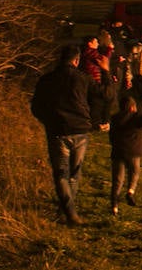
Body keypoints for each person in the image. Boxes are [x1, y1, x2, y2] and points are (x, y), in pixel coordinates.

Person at [30, 43, 91, 225]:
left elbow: (36, 107)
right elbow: (104, 96)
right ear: (76, 60)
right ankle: (69, 209)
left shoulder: (47, 79)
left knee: (61, 173)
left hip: (57, 130)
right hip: (80, 129)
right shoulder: (82, 79)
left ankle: (68, 210)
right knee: (74, 172)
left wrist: (48, 121)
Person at [108, 93, 142, 215]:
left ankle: (114, 207)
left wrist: (114, 145)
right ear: (132, 107)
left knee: (117, 180)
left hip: (118, 151)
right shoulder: (135, 118)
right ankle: (130, 191)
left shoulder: (115, 118)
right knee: (134, 172)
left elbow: (111, 135)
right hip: (133, 151)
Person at [79, 34, 116, 131]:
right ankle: (96, 123)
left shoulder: (88, 52)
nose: (98, 44)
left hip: (94, 80)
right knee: (98, 101)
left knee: (99, 101)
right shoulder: (90, 52)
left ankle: (101, 122)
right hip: (93, 80)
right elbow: (104, 60)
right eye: (96, 42)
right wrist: (109, 49)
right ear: (89, 43)